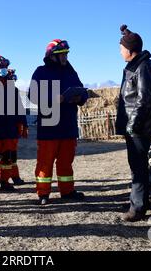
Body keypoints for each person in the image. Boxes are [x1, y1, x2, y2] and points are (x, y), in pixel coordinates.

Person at [29, 39, 88, 205]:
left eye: (66, 54)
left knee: (66, 162)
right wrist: (57, 99)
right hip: (49, 127)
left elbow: (83, 90)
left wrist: (80, 97)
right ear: (51, 56)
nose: (65, 57)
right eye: (61, 54)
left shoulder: (70, 71)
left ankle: (67, 191)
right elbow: (32, 96)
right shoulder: (41, 72)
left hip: (68, 126)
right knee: (45, 163)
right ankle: (43, 194)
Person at [115, 24, 151, 222]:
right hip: (134, 126)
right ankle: (139, 201)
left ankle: (138, 209)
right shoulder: (135, 66)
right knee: (137, 165)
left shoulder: (144, 67)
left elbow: (144, 99)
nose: (120, 51)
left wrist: (133, 124)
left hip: (139, 128)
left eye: (121, 47)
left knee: (138, 167)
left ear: (130, 49)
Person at [0, 56, 28, 193]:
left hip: (9, 128)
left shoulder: (12, 88)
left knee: (8, 157)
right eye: (2, 67)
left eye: (5, 67)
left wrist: (23, 124)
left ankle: (5, 182)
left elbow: (19, 108)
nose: (5, 70)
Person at [6, 69, 26, 185]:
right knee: (0, 156)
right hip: (0, 129)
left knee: (12, 155)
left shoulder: (14, 91)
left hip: (12, 128)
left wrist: (24, 124)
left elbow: (20, 109)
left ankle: (14, 177)